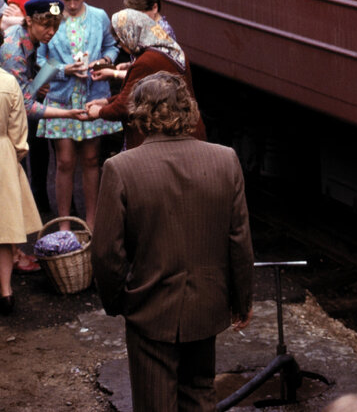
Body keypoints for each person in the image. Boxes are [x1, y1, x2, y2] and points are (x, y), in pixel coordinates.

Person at [92, 72, 254, 412]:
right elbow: (239, 240)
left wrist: (119, 301)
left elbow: (107, 253)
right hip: (207, 305)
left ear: (139, 113)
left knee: (154, 403)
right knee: (199, 394)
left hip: (149, 308)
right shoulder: (226, 160)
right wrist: (241, 300)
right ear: (187, 110)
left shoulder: (120, 168)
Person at [0, 0, 87, 271]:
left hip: (7, 120)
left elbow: (27, 86)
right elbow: (24, 104)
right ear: (30, 20)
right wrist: (68, 114)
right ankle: (11, 255)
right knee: (8, 191)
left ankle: (12, 252)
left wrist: (47, 76)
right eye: (46, 25)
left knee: (12, 189)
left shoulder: (28, 38)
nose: (52, 32)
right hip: (0, 125)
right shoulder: (13, 48)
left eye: (55, 25)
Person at [37, 0, 121, 230]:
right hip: (62, 99)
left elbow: (112, 46)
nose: (72, 5)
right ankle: (63, 224)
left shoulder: (98, 16)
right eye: (67, 0)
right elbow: (41, 59)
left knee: (92, 159)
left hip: (92, 97)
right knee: (64, 162)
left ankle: (92, 222)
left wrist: (104, 61)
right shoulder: (51, 15)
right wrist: (64, 69)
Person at [0, 14, 43, 319]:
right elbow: (19, 133)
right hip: (2, 155)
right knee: (3, 231)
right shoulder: (7, 82)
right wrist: (15, 154)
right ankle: (6, 293)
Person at [86, 9, 204, 150]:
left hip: (166, 141)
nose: (122, 46)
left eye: (120, 40)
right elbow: (136, 94)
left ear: (131, 33)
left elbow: (126, 105)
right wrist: (106, 101)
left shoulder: (146, 61)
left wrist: (99, 112)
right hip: (186, 131)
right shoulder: (167, 49)